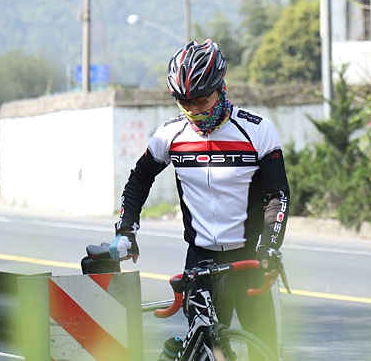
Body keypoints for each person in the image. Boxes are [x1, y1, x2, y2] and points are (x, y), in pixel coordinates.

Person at [109, 38, 290, 357]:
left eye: (201, 100)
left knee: (265, 352)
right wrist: (126, 229)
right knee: (204, 352)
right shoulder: (170, 134)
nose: (193, 110)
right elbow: (139, 180)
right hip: (200, 260)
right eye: (184, 102)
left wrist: (270, 246)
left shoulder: (257, 130)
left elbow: (277, 195)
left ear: (221, 87)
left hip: (248, 258)